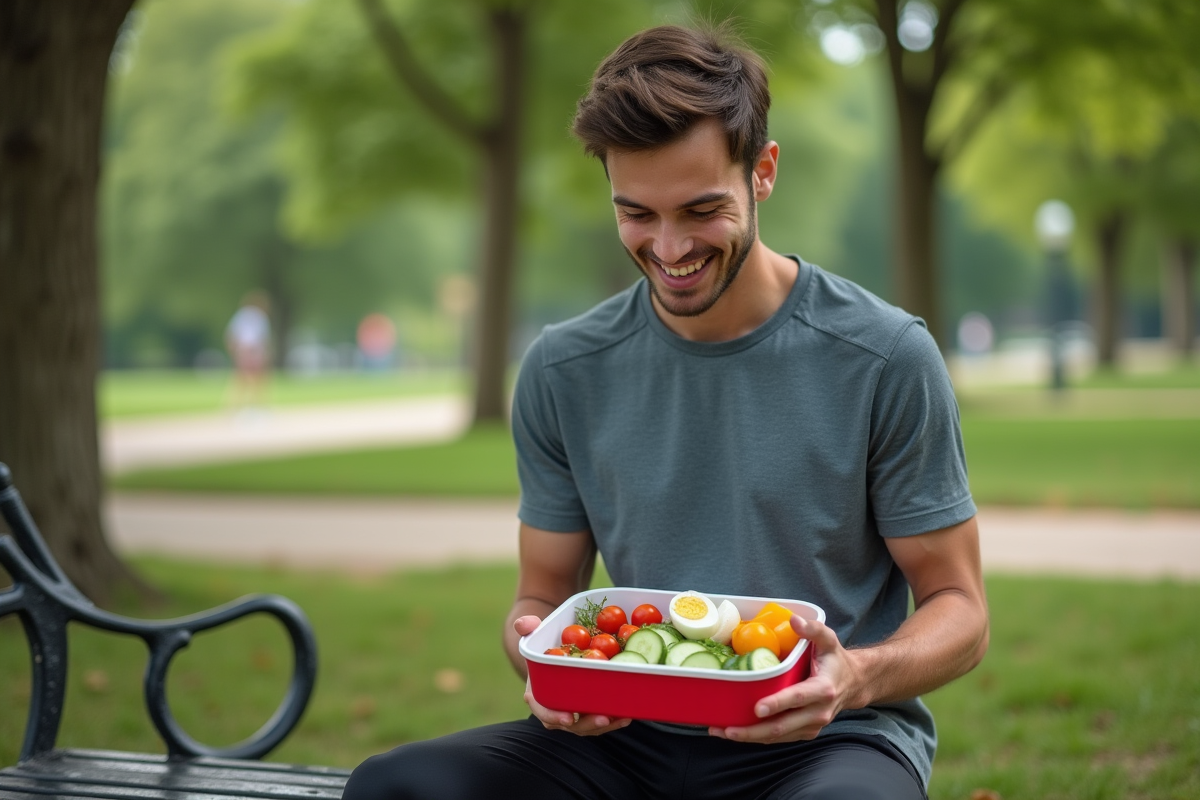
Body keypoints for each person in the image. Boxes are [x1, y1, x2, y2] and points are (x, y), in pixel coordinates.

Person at [343, 23, 987, 800]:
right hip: (627, 735)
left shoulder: (885, 357)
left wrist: (853, 676)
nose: (669, 246)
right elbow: (541, 597)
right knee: (395, 786)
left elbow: (961, 611)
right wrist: (541, 659)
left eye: (700, 208)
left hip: (825, 736)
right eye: (636, 213)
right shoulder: (562, 370)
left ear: (764, 172)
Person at [225, 291, 271, 410]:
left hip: (244, 349)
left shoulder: (241, 315)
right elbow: (263, 338)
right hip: (252, 349)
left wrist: (234, 351)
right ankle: (254, 405)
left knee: (242, 379)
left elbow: (231, 335)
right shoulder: (259, 317)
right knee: (256, 380)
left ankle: (236, 406)